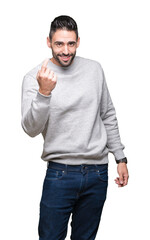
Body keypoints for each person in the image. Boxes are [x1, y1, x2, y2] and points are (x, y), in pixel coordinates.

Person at [21, 15, 129, 240]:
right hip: (60, 173)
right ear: (49, 42)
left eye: (71, 43)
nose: (66, 51)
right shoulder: (35, 77)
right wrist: (44, 93)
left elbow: (107, 114)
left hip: (97, 173)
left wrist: (120, 158)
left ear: (78, 41)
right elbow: (30, 128)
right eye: (59, 44)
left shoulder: (94, 69)